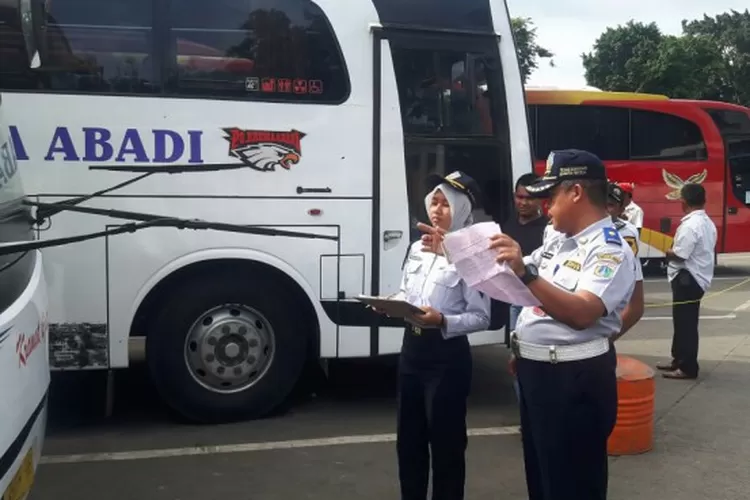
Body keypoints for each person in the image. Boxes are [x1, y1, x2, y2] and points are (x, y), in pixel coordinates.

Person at [489, 149, 638, 500]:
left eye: (551, 195)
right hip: (537, 370)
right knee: (542, 477)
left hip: (574, 378)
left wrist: (525, 274)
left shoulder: (609, 249)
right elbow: (516, 282)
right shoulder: (558, 243)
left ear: (576, 192)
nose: (545, 206)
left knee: (572, 485)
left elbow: (582, 312)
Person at [377, 170, 491, 500]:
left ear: (463, 210)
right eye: (434, 202)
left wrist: (443, 320)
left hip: (446, 357)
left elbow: (482, 317)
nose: (437, 210)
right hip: (412, 351)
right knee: (408, 442)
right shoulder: (417, 248)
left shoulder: (473, 256)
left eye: (446, 204)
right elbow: (407, 293)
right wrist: (391, 305)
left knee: (446, 446)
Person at [657, 183, 717, 380]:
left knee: (686, 325)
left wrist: (664, 251)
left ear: (684, 202)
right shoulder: (707, 222)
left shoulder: (691, 225)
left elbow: (681, 255)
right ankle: (678, 359)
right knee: (682, 322)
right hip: (697, 278)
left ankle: (687, 367)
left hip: (687, 278)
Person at [502, 173, 548, 404]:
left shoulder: (548, 230)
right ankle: (526, 413)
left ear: (541, 199)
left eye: (529, 198)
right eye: (519, 197)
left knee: (537, 363)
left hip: (538, 303)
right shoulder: (507, 224)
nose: (523, 202)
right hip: (514, 301)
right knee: (517, 360)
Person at [607, 182, 645, 341]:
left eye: (610, 205)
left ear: (621, 209)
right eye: (600, 204)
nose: (605, 210)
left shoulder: (626, 232)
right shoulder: (568, 229)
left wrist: (607, 341)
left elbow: (635, 303)